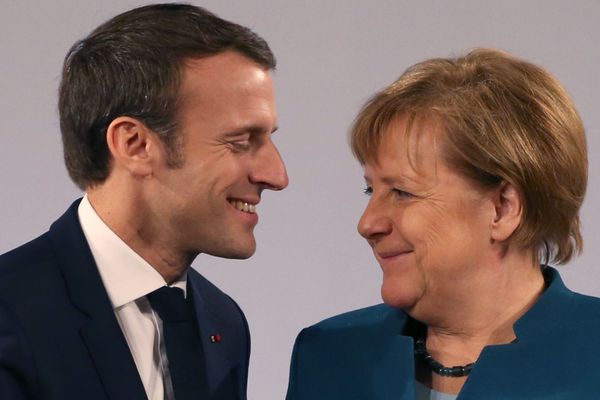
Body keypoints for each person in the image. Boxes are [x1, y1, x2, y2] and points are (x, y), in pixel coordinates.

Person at [0, 3, 287, 400]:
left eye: (270, 138)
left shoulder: (224, 324)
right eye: (241, 142)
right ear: (135, 144)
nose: (276, 175)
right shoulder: (9, 314)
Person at [286, 48, 600, 399]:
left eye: (402, 192)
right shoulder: (329, 356)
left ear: (502, 208)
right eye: (369, 189)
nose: (367, 223)